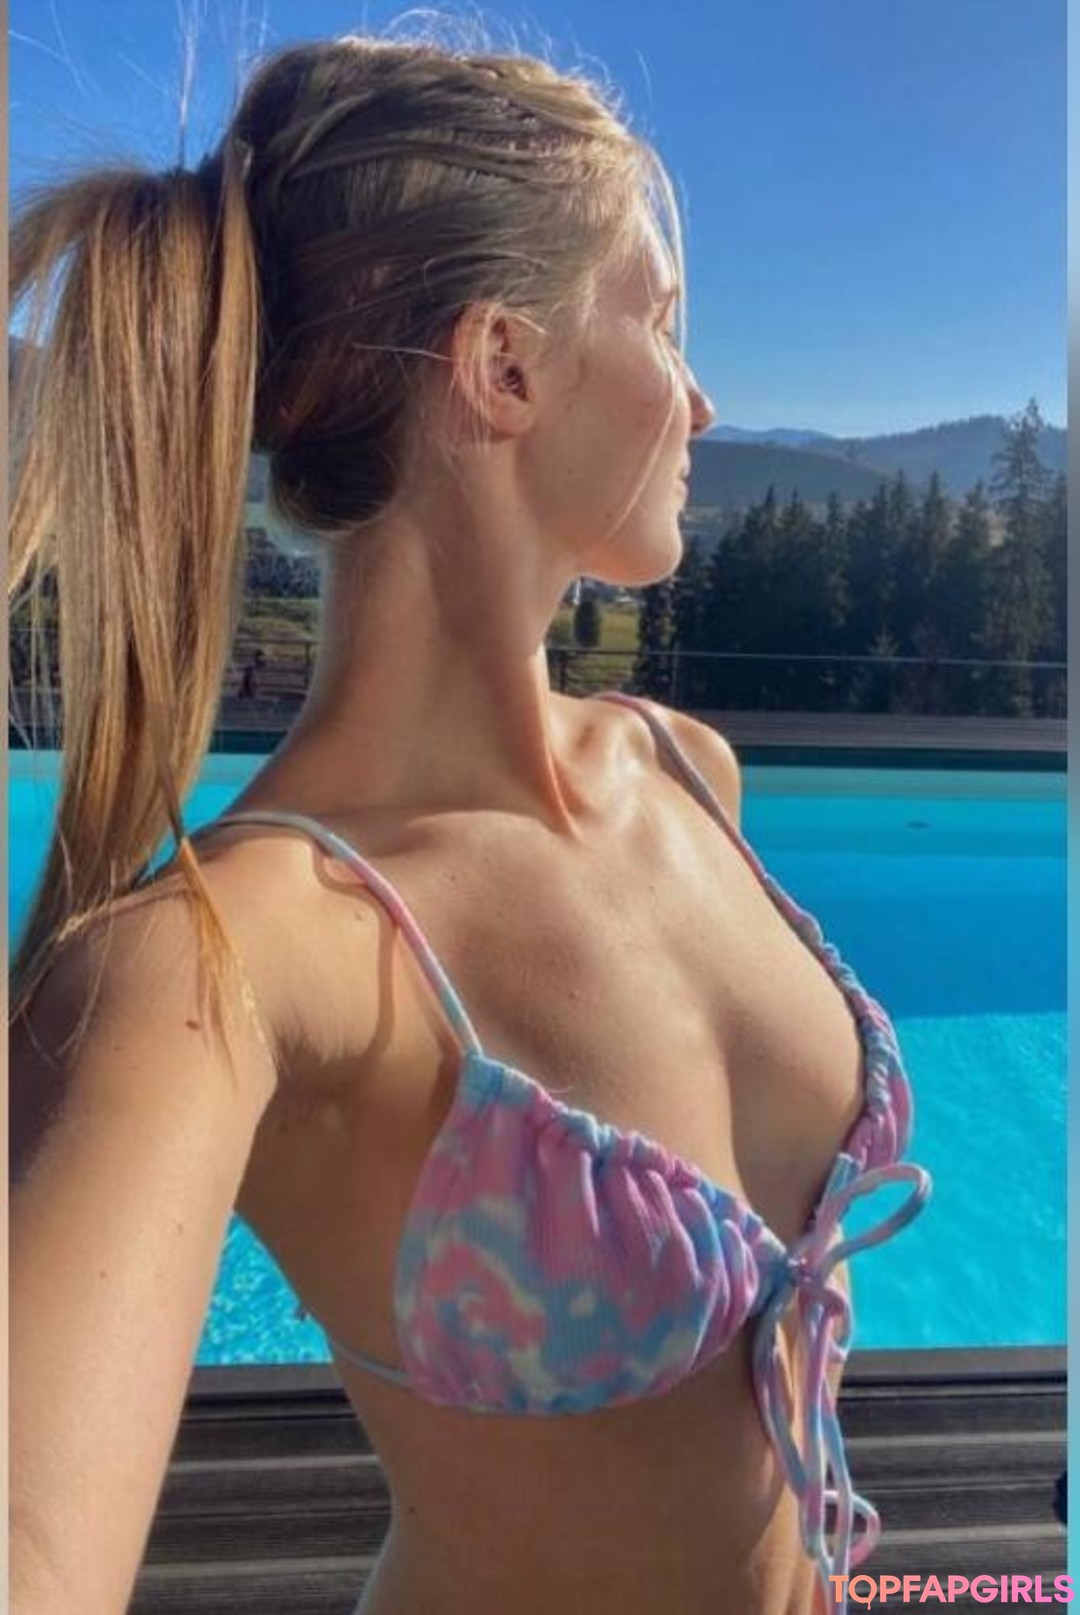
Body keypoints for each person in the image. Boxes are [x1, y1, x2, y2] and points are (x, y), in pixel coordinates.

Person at [8, 27, 931, 1615]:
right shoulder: (233, 958)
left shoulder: (685, 771)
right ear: (503, 366)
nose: (703, 400)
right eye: (662, 322)